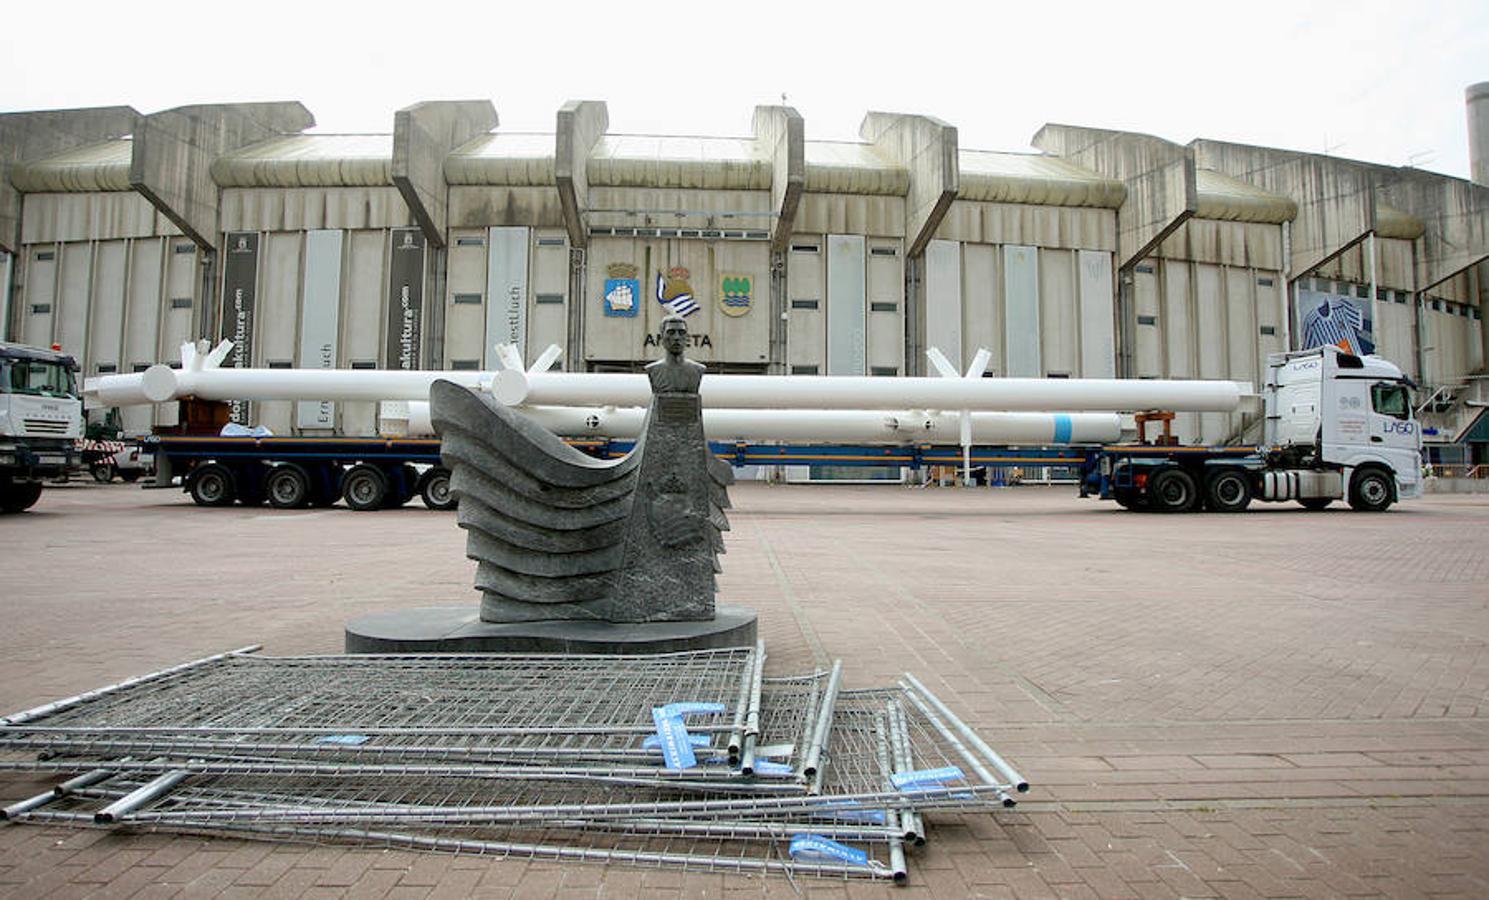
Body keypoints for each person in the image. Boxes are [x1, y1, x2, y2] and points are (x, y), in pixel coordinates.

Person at [646, 315, 705, 394]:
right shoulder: (653, 370)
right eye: (671, 332)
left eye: (681, 333)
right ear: (662, 338)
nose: (676, 337)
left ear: (686, 338)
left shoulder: (697, 370)